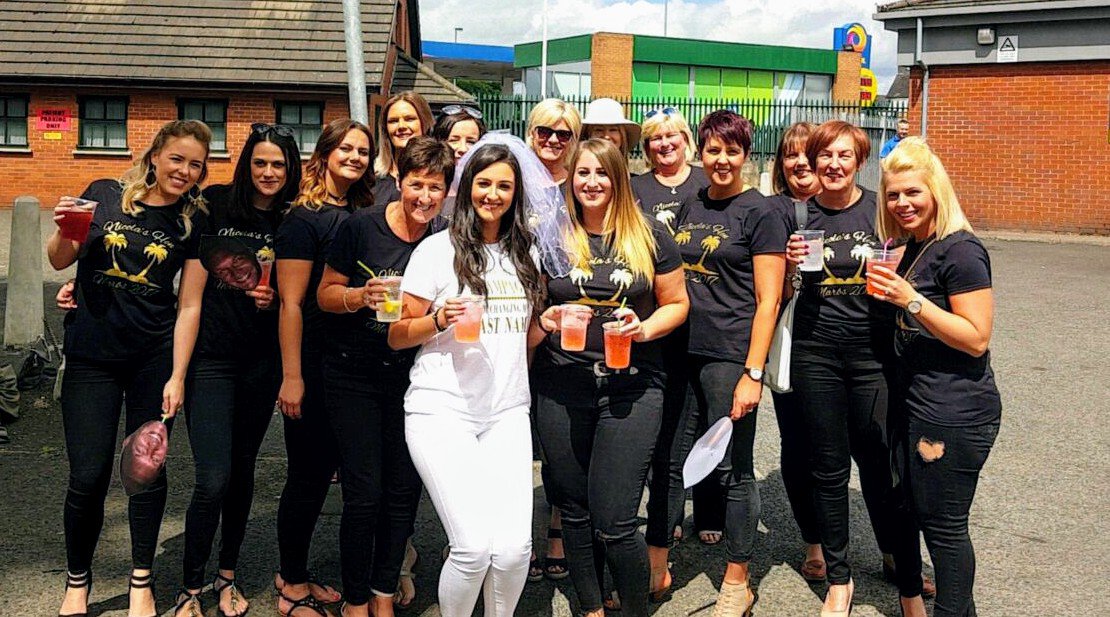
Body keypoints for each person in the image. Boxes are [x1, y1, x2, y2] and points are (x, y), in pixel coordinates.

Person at [47, 119, 211, 617]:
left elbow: (189, 305)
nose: (184, 171)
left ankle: (141, 578)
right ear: (156, 154)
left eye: (196, 165)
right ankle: (79, 580)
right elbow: (60, 261)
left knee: (145, 472)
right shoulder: (103, 194)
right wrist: (64, 232)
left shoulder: (191, 220)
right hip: (92, 357)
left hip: (152, 359)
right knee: (89, 473)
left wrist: (177, 376)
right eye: (177, 158)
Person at [387, 137, 547, 617]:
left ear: (516, 194)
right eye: (483, 183)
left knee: (515, 549)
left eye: (504, 185)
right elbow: (396, 334)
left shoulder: (527, 255)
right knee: (474, 547)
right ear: (467, 188)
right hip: (442, 411)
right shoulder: (437, 250)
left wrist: (550, 325)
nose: (492, 194)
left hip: (506, 411)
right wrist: (438, 320)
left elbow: (522, 336)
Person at [533, 138, 688, 617]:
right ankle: (590, 606)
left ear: (618, 178)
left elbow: (678, 304)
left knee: (616, 518)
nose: (591, 182)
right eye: (582, 173)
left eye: (602, 173)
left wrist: (644, 329)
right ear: (571, 179)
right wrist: (547, 320)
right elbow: (534, 306)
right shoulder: (550, 236)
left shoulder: (647, 234)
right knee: (574, 510)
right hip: (562, 382)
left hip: (633, 383)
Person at [785, 120, 923, 617]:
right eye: (825, 156)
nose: (834, 165)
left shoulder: (882, 212)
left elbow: (919, 268)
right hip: (816, 353)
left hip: (874, 355)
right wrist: (786, 263)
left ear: (859, 160)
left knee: (885, 468)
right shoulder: (800, 214)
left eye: (845, 156)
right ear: (814, 161)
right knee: (827, 468)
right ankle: (839, 580)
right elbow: (774, 293)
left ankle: (901, 568)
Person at [165, 122, 300, 617]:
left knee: (242, 475)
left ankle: (226, 575)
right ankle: (190, 585)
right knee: (213, 478)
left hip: (261, 364)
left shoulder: (292, 219)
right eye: (260, 162)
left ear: (291, 171)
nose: (268, 173)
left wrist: (275, 298)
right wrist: (177, 374)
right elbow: (190, 298)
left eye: (279, 165)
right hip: (213, 363)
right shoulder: (215, 205)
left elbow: (297, 295)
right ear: (247, 163)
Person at [316, 137, 454, 617]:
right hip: (352, 373)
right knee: (364, 491)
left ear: (445, 193)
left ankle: (382, 593)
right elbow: (325, 295)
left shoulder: (443, 241)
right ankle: (355, 599)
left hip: (412, 378)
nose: (424, 197)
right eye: (416, 185)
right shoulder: (361, 227)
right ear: (399, 183)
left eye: (434, 188)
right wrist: (359, 296)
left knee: (402, 491)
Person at [870, 137, 1000, 617]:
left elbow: (976, 337)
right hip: (919, 403)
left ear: (936, 193)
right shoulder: (911, 247)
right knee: (923, 515)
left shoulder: (960, 250)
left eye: (912, 193)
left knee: (945, 528)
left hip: (955, 410)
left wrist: (911, 300)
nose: (902, 203)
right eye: (893, 195)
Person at [667, 110, 790, 616]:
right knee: (672, 461)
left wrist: (752, 373)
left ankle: (738, 578)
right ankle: (659, 558)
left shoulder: (759, 211)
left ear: (746, 154)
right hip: (681, 352)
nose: (721, 160)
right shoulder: (691, 203)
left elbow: (769, 299)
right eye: (713, 150)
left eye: (732, 151)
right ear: (701, 151)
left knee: (736, 468)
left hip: (729, 357)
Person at [274, 118, 374, 616]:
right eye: (346, 149)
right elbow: (289, 303)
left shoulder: (364, 210)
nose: (355, 158)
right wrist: (292, 376)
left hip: (354, 362)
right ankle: (290, 579)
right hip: (312, 359)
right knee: (308, 475)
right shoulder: (302, 217)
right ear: (326, 152)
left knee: (352, 474)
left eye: (363, 151)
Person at [631, 107, 717, 562]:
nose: (664, 145)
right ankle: (667, 514)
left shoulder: (705, 183)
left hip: (704, 319)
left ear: (686, 139)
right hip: (653, 320)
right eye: (654, 139)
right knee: (663, 426)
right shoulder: (635, 187)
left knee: (706, 419)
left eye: (672, 136)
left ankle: (707, 509)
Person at [768, 121, 828, 580]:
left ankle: (893, 547)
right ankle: (815, 541)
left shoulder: (850, 207)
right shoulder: (773, 212)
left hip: (850, 344)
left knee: (870, 447)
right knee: (798, 444)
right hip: (792, 339)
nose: (801, 163)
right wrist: (786, 268)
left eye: (810, 154)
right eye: (791, 155)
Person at [372, 91, 434, 207]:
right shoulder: (370, 176)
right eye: (393, 121)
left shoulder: (439, 173)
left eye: (409, 119)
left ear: (424, 122)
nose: (401, 126)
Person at [527, 97, 582, 185]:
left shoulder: (578, 185)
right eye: (544, 132)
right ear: (532, 133)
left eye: (563, 134)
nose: (553, 140)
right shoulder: (517, 180)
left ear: (573, 138)